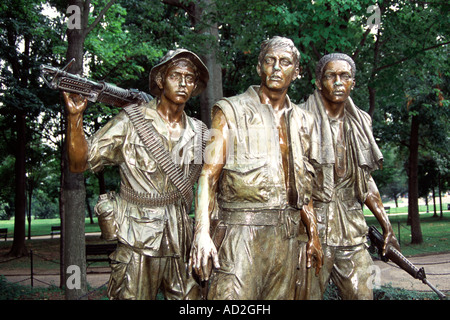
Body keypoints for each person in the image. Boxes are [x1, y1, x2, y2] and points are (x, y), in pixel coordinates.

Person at [62, 49, 209, 300]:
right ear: (160, 81)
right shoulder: (131, 121)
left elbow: (213, 183)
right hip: (137, 239)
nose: (184, 83)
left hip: (181, 239)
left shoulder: (200, 132)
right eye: (176, 75)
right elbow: (79, 164)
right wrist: (75, 118)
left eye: (190, 77)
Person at [189, 36, 323, 300]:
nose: (276, 68)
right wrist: (201, 232)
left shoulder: (305, 121)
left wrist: (314, 234)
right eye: (269, 61)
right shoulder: (229, 111)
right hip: (240, 235)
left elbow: (305, 188)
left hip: (285, 239)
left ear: (296, 72)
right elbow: (208, 175)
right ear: (259, 67)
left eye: (284, 62)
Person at [301, 53, 400, 300]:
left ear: (353, 82)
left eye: (344, 76)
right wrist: (313, 233)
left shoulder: (361, 121)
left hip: (352, 229)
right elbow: (298, 183)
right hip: (311, 228)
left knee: (361, 295)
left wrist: (387, 225)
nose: (338, 82)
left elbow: (365, 180)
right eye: (330, 76)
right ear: (318, 81)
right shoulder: (299, 118)